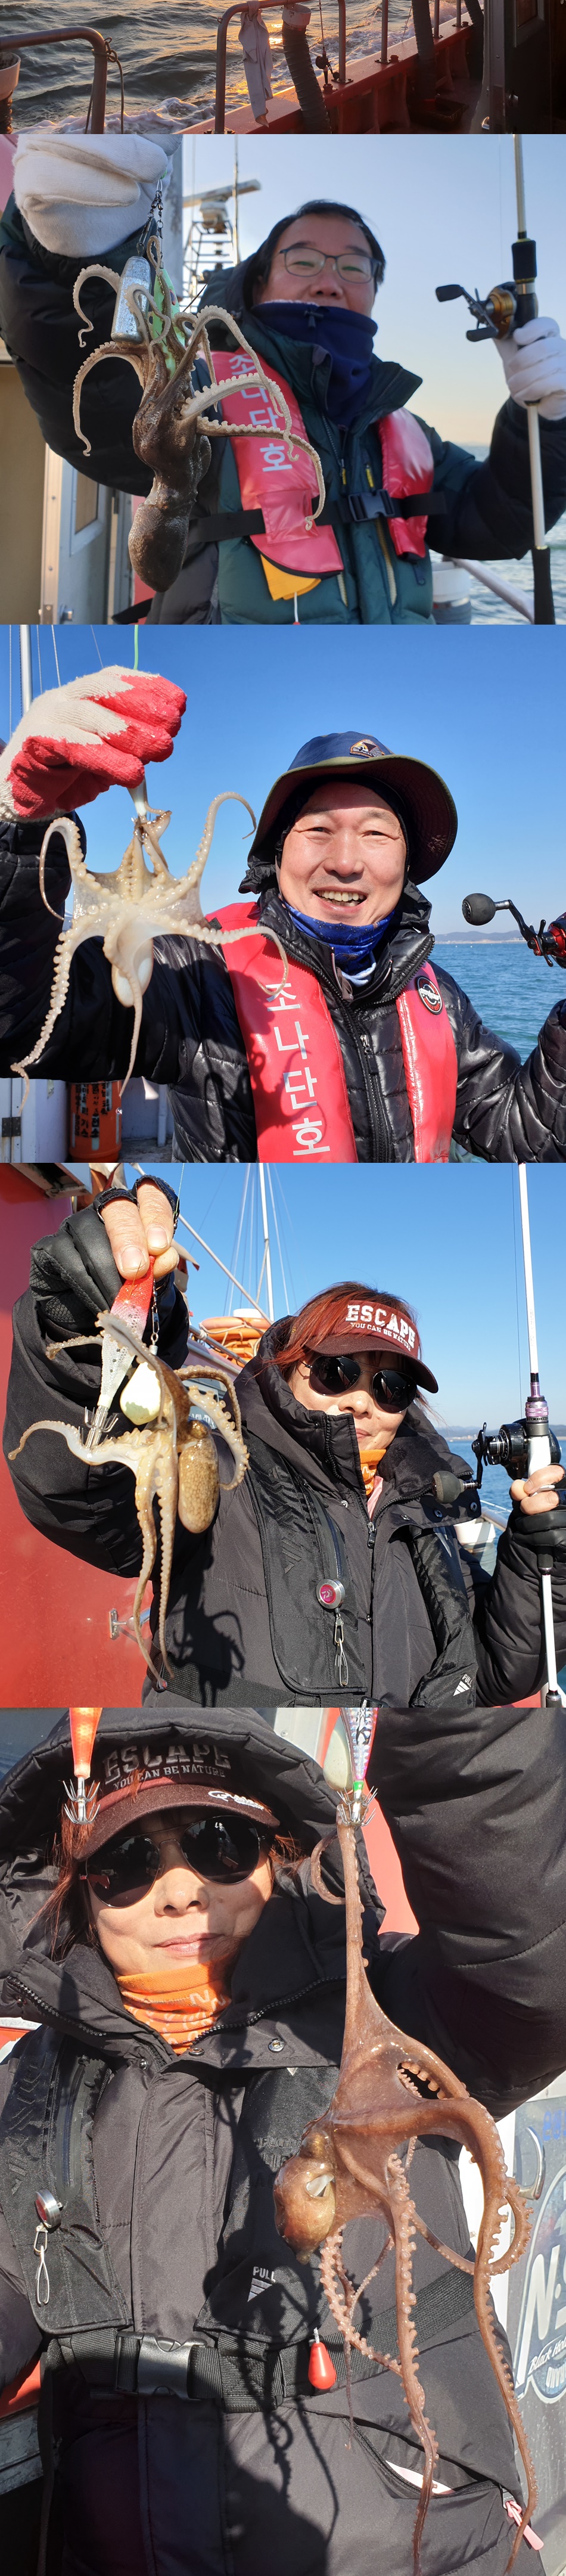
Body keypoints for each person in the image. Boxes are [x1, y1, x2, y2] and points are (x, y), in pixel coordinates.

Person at [1, 1697, 565, 2576]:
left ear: (280, 1856)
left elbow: (530, 1961)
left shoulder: (393, 2015)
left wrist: (436, 1697)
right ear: (79, 1893)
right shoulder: (32, 2082)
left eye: (218, 1843)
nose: (178, 1891)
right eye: (127, 1862)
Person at [1, 684, 566, 1165]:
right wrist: (12, 819)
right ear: (277, 854)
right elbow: (24, 1021)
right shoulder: (200, 974)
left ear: (407, 863)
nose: (346, 861)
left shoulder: (439, 997)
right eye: (318, 830)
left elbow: (524, 1137)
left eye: (376, 833)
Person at [7, 1224, 566, 1708]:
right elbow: (83, 1495)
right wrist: (83, 1337)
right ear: (290, 1366)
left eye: (391, 1387)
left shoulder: (428, 1510)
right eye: (337, 1371)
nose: (362, 1401)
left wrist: (536, 1561)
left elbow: (493, 1672)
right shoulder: (222, 1464)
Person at [2, 179, 565, 623]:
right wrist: (67, 237)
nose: (329, 281)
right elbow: (101, 391)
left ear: (374, 291)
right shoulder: (205, 393)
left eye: (354, 267)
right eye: (303, 261)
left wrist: (545, 421)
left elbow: (500, 522)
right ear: (258, 284)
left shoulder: (407, 428)